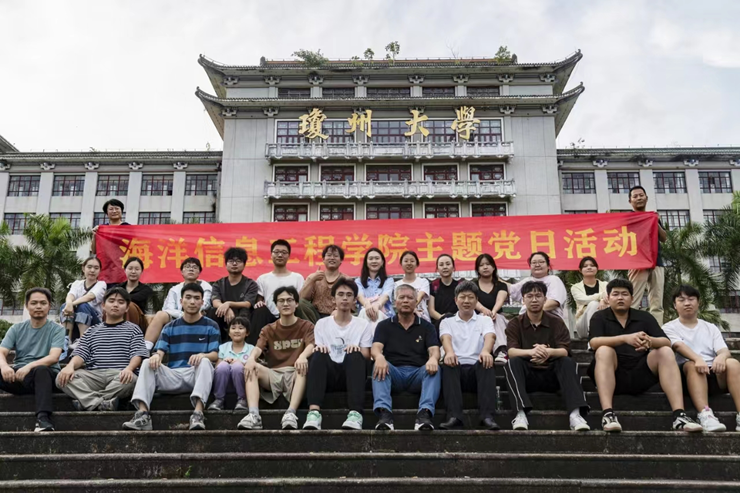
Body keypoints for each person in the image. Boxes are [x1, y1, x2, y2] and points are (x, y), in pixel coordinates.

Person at [588, 279, 702, 433]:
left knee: (665, 351)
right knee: (603, 350)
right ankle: (608, 414)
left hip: (640, 373)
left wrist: (650, 341)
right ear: (608, 298)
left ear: (632, 298)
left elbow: (666, 342)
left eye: (624, 294)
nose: (620, 298)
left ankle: (679, 415)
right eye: (615, 294)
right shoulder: (599, 317)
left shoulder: (644, 317)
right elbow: (594, 342)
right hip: (612, 373)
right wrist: (625, 338)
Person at [122, 283, 219, 431]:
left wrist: (202, 355)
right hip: (173, 375)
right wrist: (156, 356)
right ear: (181, 301)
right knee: (147, 362)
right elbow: (160, 350)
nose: (192, 302)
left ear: (202, 302)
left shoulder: (211, 325)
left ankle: (198, 414)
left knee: (206, 362)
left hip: (196, 375)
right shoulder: (170, 326)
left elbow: (215, 354)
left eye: (196, 298)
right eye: (188, 297)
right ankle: (142, 415)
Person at [505, 281, 590, 431]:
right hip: (528, 377)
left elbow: (564, 350)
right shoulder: (515, 323)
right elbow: (511, 352)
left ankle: (575, 414)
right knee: (512, 363)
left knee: (567, 362)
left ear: (545, 299)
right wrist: (532, 352)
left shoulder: (556, 322)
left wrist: (548, 352)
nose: (534, 300)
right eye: (529, 296)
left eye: (538, 296)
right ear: (523, 300)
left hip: (553, 376)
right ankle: (520, 414)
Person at [56, 288, 148, 411]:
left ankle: (87, 402)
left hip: (120, 375)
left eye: (121, 302)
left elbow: (137, 354)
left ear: (126, 308)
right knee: (61, 378)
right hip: (94, 375)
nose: (115, 305)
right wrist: (70, 366)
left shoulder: (133, 329)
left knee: (133, 380)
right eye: (111, 301)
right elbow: (80, 354)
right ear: (103, 305)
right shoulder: (91, 330)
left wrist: (129, 369)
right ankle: (102, 403)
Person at [663, 285, 740, 432]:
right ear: (675, 305)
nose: (687, 303)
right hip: (688, 377)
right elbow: (678, 346)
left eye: (691, 299)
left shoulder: (710, 327)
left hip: (715, 374)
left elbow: (724, 350)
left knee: (733, 363)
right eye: (681, 300)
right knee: (692, 365)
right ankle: (705, 414)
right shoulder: (669, 327)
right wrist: (698, 359)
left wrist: (721, 357)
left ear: (698, 303)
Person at [238, 286, 314, 430]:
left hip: (295, 373)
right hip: (273, 374)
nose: (285, 304)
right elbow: (258, 347)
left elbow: (311, 344)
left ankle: (291, 413)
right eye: (281, 301)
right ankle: (254, 415)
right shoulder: (268, 329)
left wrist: (303, 356)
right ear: (276, 305)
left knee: (303, 367)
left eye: (289, 300)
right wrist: (251, 358)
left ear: (296, 303)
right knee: (251, 367)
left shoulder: (306, 326)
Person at [304, 278, 373, 430]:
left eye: (349, 295)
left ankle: (355, 414)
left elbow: (367, 356)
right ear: (333, 299)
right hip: (328, 375)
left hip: (352, 373)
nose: (344, 298)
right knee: (318, 354)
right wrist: (320, 349)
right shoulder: (322, 324)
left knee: (355, 355)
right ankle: (314, 413)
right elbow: (319, 349)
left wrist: (357, 349)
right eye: (340, 294)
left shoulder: (362, 324)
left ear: (354, 300)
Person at [372, 283, 441, 431]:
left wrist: (433, 358)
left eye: (409, 298)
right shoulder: (384, 325)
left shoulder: (426, 326)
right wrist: (379, 357)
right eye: (401, 297)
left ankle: (424, 414)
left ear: (416, 302)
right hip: (393, 373)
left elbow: (434, 350)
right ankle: (385, 414)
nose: (405, 301)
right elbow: (376, 348)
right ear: (395, 302)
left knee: (435, 368)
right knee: (378, 365)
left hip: (418, 373)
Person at [0, 288, 65, 432]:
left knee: (41, 370)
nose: (38, 306)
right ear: (26, 306)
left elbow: (54, 357)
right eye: (34, 303)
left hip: (47, 376)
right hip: (21, 377)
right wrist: (4, 366)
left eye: (43, 303)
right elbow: (1, 351)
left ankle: (43, 419)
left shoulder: (57, 329)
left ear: (49, 306)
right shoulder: (16, 328)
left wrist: (29, 366)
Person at [439, 281, 500, 430]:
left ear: (476, 300)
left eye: (471, 297)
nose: (466, 301)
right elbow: (445, 338)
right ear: (456, 300)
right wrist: (449, 352)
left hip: (476, 370)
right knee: (448, 364)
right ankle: (454, 416)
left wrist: (486, 351)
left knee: (486, 362)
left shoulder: (484, 320)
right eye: (462, 297)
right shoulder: (447, 322)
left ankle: (487, 416)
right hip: (456, 369)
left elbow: (490, 336)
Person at [144, 257, 213, 349]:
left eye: (195, 267)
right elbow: (168, 309)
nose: (191, 269)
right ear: (181, 272)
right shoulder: (175, 289)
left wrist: (191, 312)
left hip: (199, 315)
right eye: (187, 267)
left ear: (199, 272)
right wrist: (183, 315)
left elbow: (205, 305)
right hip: (177, 317)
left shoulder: (206, 286)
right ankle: (146, 348)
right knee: (161, 314)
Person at [250, 240, 305, 345]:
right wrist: (259, 302)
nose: (280, 255)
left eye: (284, 252)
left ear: (288, 256)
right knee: (259, 310)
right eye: (276, 252)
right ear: (271, 255)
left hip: (290, 315)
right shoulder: (263, 278)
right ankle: (254, 348)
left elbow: (301, 300)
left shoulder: (297, 278)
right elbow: (259, 299)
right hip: (269, 316)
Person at [627, 185, 667, 324]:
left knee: (657, 302)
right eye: (635, 196)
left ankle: (656, 330)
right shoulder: (628, 218)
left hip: (657, 262)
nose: (639, 198)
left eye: (641, 195)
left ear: (646, 198)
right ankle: (629, 328)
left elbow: (664, 238)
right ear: (630, 201)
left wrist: (655, 221)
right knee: (633, 299)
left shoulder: (652, 216)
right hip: (637, 262)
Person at [207, 247, 259, 340]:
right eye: (231, 261)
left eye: (238, 261)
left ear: (244, 264)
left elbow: (247, 303)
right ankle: (215, 342)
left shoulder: (250, 284)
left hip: (245, 318)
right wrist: (226, 308)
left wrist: (228, 303)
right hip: (223, 319)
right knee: (213, 311)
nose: (234, 264)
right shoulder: (219, 284)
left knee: (251, 311)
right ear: (226, 264)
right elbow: (215, 302)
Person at [208, 317, 254, 411]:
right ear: (229, 332)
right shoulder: (223, 347)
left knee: (237, 366)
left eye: (241, 328)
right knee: (223, 366)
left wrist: (241, 363)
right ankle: (219, 400)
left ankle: (242, 399)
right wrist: (225, 361)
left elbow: (253, 367)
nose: (236, 331)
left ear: (247, 333)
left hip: (243, 382)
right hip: (225, 382)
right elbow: (217, 368)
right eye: (233, 328)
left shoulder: (251, 349)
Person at [60, 256, 107, 345]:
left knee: (83, 306)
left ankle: (83, 341)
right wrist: (68, 303)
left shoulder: (101, 284)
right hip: (75, 321)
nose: (92, 270)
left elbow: (90, 297)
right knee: (65, 305)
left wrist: (71, 304)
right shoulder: (77, 283)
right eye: (89, 267)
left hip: (94, 323)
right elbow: (70, 295)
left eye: (96, 268)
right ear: (83, 268)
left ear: (100, 270)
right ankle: (67, 339)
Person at [508, 252, 568, 321]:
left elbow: (554, 302)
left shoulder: (554, 279)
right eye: (534, 263)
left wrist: (533, 313)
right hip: (527, 321)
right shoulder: (527, 280)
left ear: (548, 266)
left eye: (541, 262)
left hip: (551, 321)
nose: (537, 265)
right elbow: (510, 289)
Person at [297, 244, 349, 324]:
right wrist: (311, 280)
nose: (332, 258)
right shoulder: (314, 277)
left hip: (338, 314)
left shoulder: (346, 279)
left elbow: (351, 300)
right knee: (300, 304)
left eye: (335, 256)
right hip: (316, 315)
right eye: (329, 255)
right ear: (323, 259)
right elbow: (302, 299)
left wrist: (338, 310)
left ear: (341, 260)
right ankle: (312, 329)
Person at [472, 253, 509, 363]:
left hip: (497, 317)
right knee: (484, 318)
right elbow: (473, 300)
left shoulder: (501, 285)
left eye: (488, 264)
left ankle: (501, 351)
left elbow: (500, 300)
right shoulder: (472, 285)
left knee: (498, 318)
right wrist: (484, 310)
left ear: (493, 267)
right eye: (481, 265)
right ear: (477, 269)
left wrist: (493, 312)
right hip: (478, 317)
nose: (485, 267)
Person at [355, 248, 395, 327]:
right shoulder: (358, 281)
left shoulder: (389, 280)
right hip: (365, 316)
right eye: (371, 259)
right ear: (366, 262)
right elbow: (360, 296)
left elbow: (385, 296)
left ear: (382, 262)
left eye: (377, 258)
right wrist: (367, 305)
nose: (374, 261)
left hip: (385, 316)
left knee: (378, 313)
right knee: (364, 311)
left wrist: (377, 305)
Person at [571, 256, 608, 340]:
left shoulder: (606, 285)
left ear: (597, 268)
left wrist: (603, 300)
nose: (589, 267)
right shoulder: (576, 287)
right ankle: (593, 335)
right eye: (585, 266)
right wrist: (601, 297)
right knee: (593, 304)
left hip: (605, 320)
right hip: (583, 326)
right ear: (580, 270)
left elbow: (610, 298)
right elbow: (583, 300)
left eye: (592, 265)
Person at [114, 257, 153, 331]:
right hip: (117, 319)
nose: (133, 272)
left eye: (137, 269)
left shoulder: (146, 290)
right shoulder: (117, 288)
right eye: (130, 268)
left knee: (130, 306)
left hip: (139, 322)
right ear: (125, 270)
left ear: (141, 272)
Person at [395, 251, 431, 322]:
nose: (409, 263)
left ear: (417, 264)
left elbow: (420, 296)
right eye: (406, 261)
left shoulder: (423, 282)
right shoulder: (396, 284)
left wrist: (410, 307)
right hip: (403, 320)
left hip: (423, 319)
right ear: (401, 264)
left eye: (412, 261)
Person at [429, 254, 460, 331]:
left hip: (458, 323)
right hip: (438, 323)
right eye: (441, 265)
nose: (445, 267)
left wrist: (453, 319)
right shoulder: (433, 285)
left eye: (448, 264)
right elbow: (431, 310)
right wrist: (443, 319)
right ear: (437, 269)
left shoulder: (460, 285)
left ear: (453, 267)